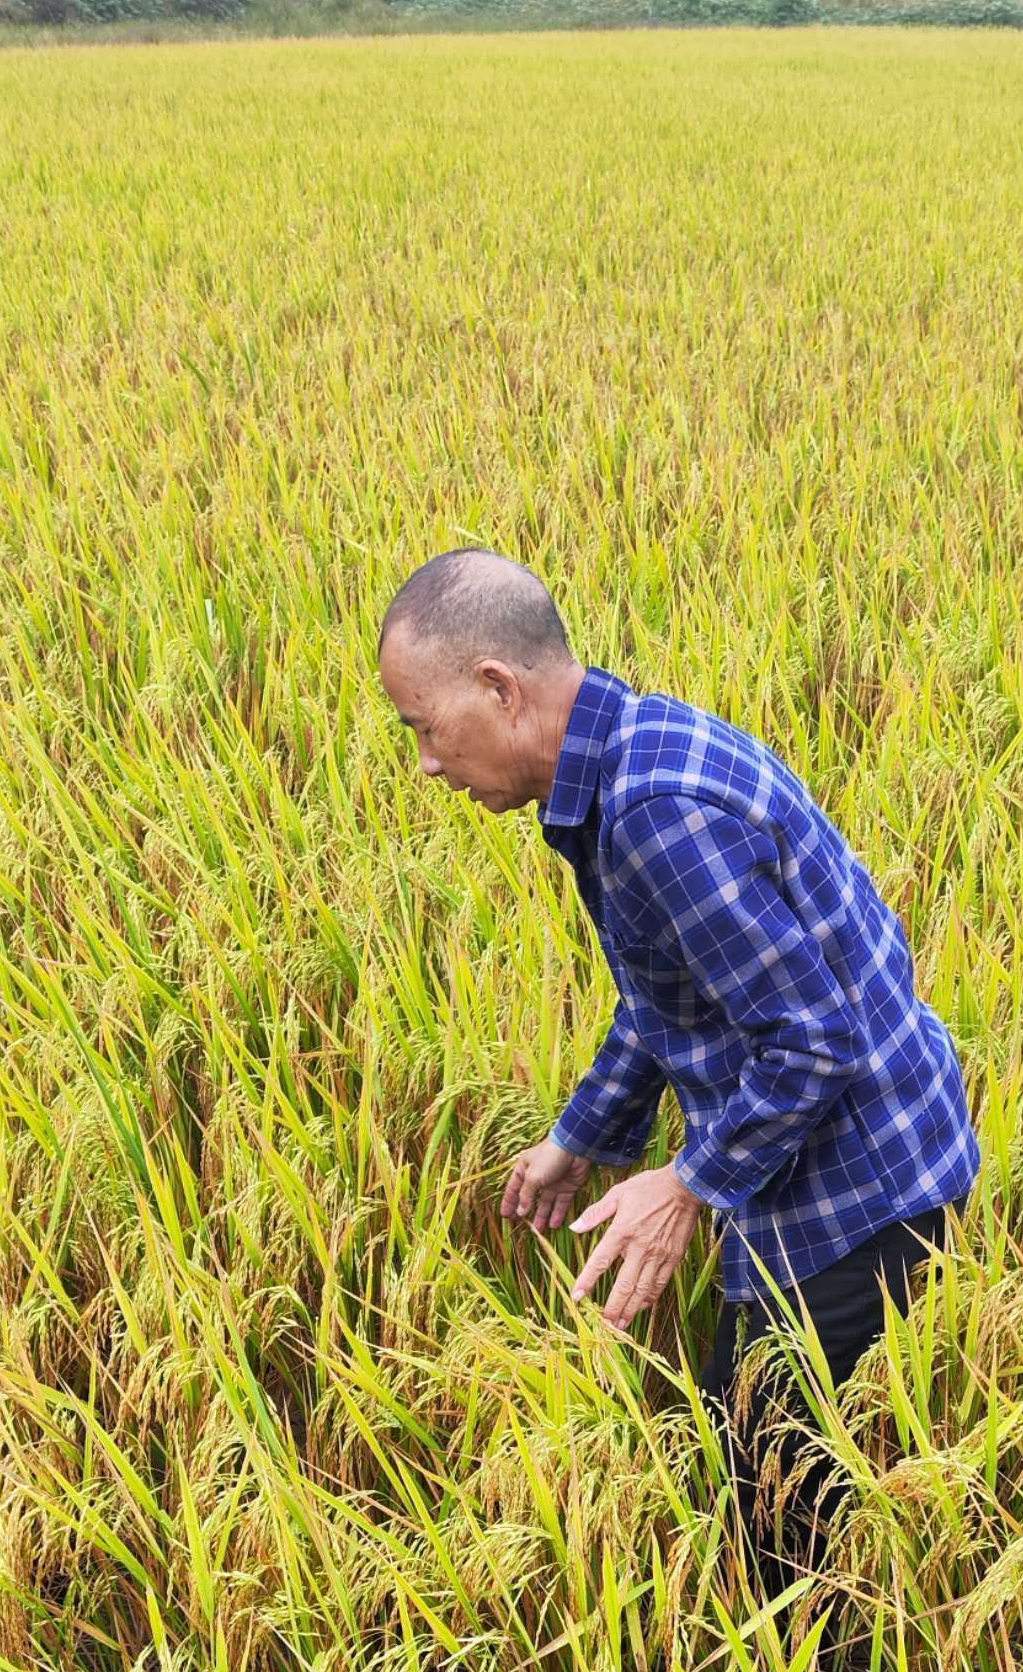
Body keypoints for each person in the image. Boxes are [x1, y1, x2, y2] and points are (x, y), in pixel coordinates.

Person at [378, 547, 980, 1597]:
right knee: (745, 1441)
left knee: (759, 1486)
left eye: (423, 727)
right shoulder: (626, 763)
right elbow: (672, 997)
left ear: (496, 689)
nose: (426, 762)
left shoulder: (656, 812)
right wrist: (584, 1137)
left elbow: (812, 1038)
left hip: (864, 1189)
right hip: (859, 1146)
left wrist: (688, 1185)